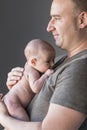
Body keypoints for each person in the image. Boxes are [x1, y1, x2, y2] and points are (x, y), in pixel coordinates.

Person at [0, 0, 87, 129]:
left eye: (56, 18)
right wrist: (19, 89)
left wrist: (3, 117)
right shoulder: (60, 61)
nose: (49, 27)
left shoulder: (80, 68)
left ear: (82, 20)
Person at [3, 39, 55, 122]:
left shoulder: (30, 66)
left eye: (53, 60)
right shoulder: (32, 71)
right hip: (13, 103)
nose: (52, 64)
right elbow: (35, 88)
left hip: (11, 101)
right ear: (33, 62)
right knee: (23, 121)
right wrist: (46, 75)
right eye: (48, 61)